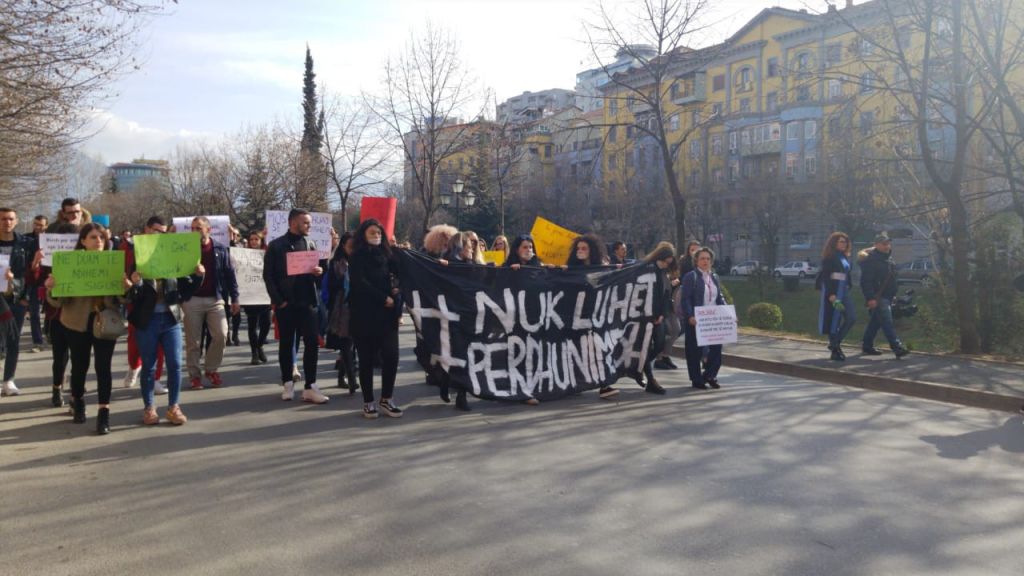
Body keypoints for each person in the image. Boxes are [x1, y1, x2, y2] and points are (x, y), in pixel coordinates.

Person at [43, 223, 132, 434]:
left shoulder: (113, 262)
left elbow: (122, 298)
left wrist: (127, 288)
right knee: (79, 367)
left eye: (101, 237)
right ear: (83, 241)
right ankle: (79, 403)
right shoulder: (68, 263)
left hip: (105, 323)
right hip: (75, 322)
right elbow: (58, 302)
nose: (98, 241)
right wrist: (53, 288)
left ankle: (104, 413)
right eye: (93, 237)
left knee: (103, 368)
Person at [263, 209, 329, 404]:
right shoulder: (276, 246)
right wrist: (279, 300)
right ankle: (287, 383)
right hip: (287, 303)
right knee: (286, 343)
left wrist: (319, 272)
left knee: (311, 344)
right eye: (306, 223)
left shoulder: (311, 243)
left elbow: (321, 271)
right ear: (293, 223)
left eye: (310, 223)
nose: (310, 226)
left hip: (308, 302)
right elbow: (269, 276)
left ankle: (310, 386)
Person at [127, 256, 193, 426]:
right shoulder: (139, 261)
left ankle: (173, 407)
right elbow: (130, 297)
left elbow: (187, 290)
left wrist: (198, 276)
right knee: (149, 365)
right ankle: (149, 408)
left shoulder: (172, 259)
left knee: (175, 363)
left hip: (171, 319)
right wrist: (136, 284)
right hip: (147, 321)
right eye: (156, 230)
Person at [348, 218, 403, 418]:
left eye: (379, 233)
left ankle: (387, 398)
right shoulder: (357, 256)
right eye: (372, 233)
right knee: (367, 359)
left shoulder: (389, 255)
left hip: (387, 316)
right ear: (363, 234)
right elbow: (359, 283)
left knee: (391, 356)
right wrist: (383, 298)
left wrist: (396, 291)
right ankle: (368, 400)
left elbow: (399, 275)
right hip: (364, 315)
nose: (377, 236)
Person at [180, 216, 240, 389]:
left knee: (221, 334)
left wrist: (235, 298)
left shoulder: (220, 249)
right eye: (192, 228)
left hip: (215, 299)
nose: (195, 231)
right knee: (193, 341)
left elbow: (230, 275)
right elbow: (179, 276)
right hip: (192, 300)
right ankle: (194, 375)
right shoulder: (186, 250)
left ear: (208, 230)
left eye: (198, 228)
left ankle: (211, 369)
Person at [566, 234, 620, 400]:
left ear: (592, 251)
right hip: (575, 316)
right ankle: (575, 383)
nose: (580, 251)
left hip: (596, 316)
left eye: (584, 249)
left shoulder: (602, 268)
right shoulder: (571, 269)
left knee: (599, 349)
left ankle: (604, 385)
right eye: (578, 248)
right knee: (577, 351)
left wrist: (612, 270)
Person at [123, 216, 167, 393]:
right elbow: (122, 268)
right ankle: (134, 367)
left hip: (160, 303)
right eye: (156, 230)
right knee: (135, 343)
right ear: (147, 229)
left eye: (163, 232)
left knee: (160, 345)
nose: (159, 235)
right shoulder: (131, 246)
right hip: (137, 301)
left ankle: (155, 379)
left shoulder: (166, 248)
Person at [0, 207, 36, 398]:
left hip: (17, 298)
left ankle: (8, 380)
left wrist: (26, 299)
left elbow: (32, 274)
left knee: (13, 341)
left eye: (10, 219)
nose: (7, 222)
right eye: (3, 219)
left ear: (16, 221)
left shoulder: (26, 244)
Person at [680, 247, 727, 390]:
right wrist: (690, 316)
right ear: (696, 261)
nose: (705, 261)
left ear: (711, 261)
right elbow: (686, 299)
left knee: (716, 349)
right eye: (702, 258)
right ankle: (696, 379)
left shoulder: (714, 277)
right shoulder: (691, 276)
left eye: (708, 259)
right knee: (695, 351)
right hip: (697, 319)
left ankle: (710, 375)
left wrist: (729, 314)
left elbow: (719, 297)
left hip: (713, 319)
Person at [859, 233, 909, 358]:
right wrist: (870, 298)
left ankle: (867, 345)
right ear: (876, 245)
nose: (887, 246)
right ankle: (897, 347)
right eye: (884, 244)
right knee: (887, 322)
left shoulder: (888, 258)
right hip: (878, 297)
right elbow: (866, 281)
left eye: (888, 243)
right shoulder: (871, 260)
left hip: (888, 296)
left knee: (875, 322)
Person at [636, 242, 675, 394]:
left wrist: (661, 314)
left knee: (659, 345)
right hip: (645, 316)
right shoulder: (647, 269)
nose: (666, 265)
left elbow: (665, 295)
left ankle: (641, 365)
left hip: (658, 316)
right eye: (665, 262)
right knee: (646, 346)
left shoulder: (663, 272)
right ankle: (650, 379)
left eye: (669, 262)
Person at [818, 232, 857, 361]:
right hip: (833, 293)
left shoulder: (844, 257)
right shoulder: (829, 257)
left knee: (851, 318)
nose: (844, 244)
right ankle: (835, 350)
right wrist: (831, 294)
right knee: (833, 319)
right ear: (834, 243)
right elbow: (827, 277)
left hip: (843, 292)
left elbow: (845, 274)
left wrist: (848, 284)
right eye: (841, 241)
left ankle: (835, 343)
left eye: (845, 242)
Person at [326, 231, 357, 393]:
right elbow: (332, 286)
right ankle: (351, 378)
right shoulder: (336, 263)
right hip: (342, 308)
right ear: (343, 246)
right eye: (350, 246)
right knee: (346, 343)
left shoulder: (361, 261)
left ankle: (342, 376)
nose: (353, 249)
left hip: (358, 306)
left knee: (352, 344)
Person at [243, 231, 271, 365]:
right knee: (252, 325)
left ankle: (259, 345)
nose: (254, 241)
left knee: (266, 324)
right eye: (251, 239)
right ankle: (254, 353)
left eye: (256, 239)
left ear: (261, 241)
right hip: (249, 295)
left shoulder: (267, 255)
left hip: (264, 294)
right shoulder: (242, 255)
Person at [25, 215, 47, 352]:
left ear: (46, 226)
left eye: (41, 225)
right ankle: (37, 341)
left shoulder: (52, 239)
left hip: (48, 279)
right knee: (34, 313)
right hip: (33, 281)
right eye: (36, 224)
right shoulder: (27, 239)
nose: (38, 227)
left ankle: (50, 334)